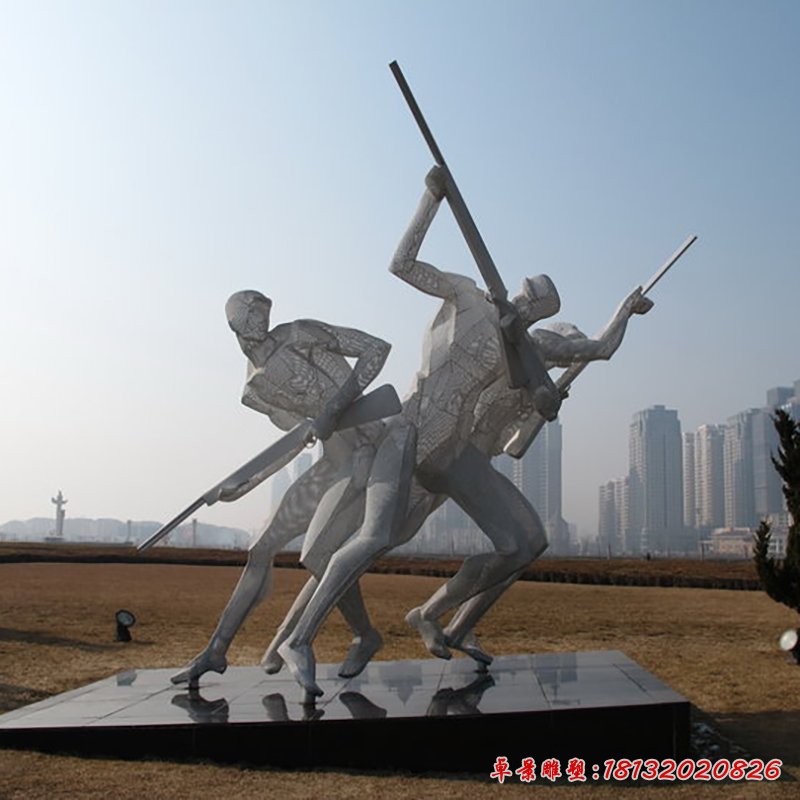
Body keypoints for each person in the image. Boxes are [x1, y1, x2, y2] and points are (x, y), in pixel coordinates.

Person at [275, 166, 652, 696]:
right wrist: (430, 200)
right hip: (409, 431)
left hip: (454, 453)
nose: (529, 308)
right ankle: (299, 640)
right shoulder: (466, 296)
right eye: (529, 298)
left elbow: (595, 350)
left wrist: (625, 312)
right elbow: (401, 264)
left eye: (539, 309)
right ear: (517, 291)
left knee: (524, 542)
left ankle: (436, 614)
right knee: (375, 535)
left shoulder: (528, 348)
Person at [171, 290, 391, 686]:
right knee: (260, 549)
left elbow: (376, 349)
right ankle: (216, 650)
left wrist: (333, 408)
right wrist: (242, 485)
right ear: (234, 323)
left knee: (318, 554)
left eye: (264, 312)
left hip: (369, 452)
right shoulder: (253, 391)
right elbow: (294, 441)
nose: (261, 320)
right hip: (332, 464)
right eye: (252, 314)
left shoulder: (298, 334)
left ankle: (363, 634)